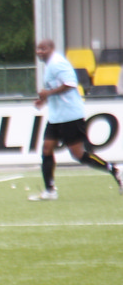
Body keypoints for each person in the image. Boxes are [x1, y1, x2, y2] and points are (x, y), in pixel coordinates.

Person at [31, 38, 122, 200]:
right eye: (38, 49)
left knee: (79, 154)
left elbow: (70, 84)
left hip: (70, 116)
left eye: (43, 49)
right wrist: (43, 100)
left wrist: (48, 93)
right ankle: (50, 190)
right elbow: (54, 88)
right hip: (56, 117)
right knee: (46, 149)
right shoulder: (49, 65)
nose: (39, 52)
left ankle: (114, 170)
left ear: (51, 48)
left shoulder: (58, 63)